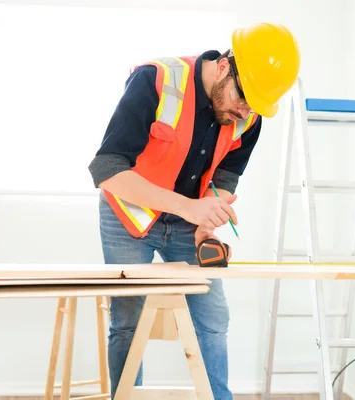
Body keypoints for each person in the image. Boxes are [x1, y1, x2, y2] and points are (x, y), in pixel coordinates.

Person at [88, 22, 300, 400]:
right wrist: (191, 209)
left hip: (188, 222)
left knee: (213, 318)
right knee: (127, 321)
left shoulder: (248, 117)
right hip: (129, 216)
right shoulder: (156, 79)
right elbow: (106, 170)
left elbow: (223, 178)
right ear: (223, 67)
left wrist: (207, 223)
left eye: (254, 104)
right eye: (243, 97)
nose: (245, 110)